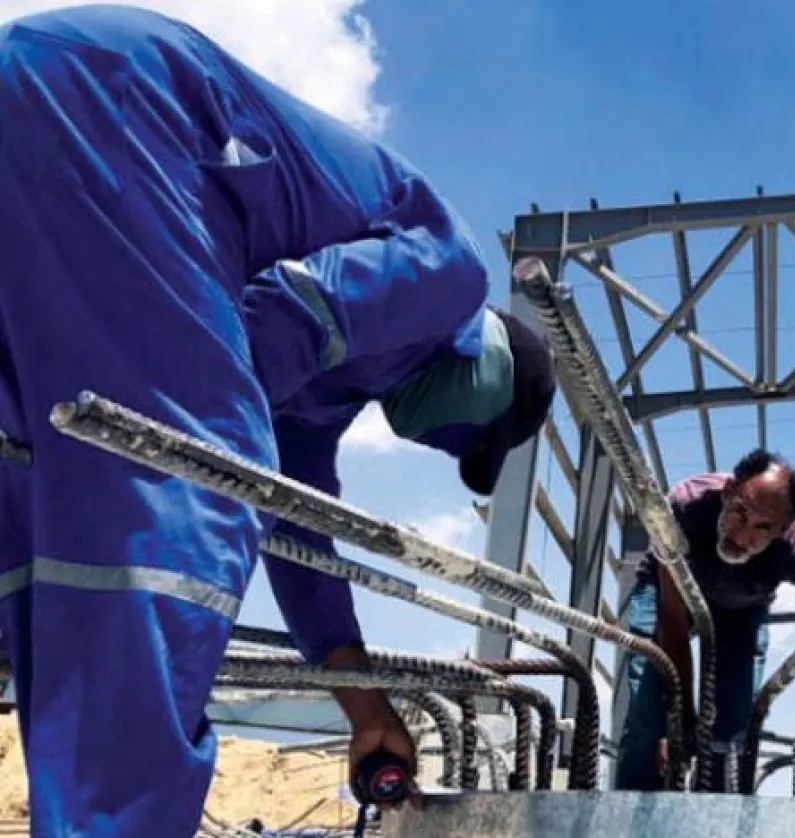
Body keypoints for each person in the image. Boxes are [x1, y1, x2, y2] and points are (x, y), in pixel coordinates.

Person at [0, 6, 554, 836]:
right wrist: (221, 464)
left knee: (38, 472)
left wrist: (365, 709)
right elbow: (266, 330)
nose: (437, 444)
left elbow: (301, 547)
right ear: (491, 378)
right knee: (182, 485)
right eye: (466, 438)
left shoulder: (323, 398)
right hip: (125, 106)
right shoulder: (450, 271)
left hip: (55, 105)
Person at [614, 449, 795, 791]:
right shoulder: (684, 506)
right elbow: (673, 620)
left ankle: (715, 816)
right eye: (739, 513)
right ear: (727, 492)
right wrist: (682, 713)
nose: (741, 536)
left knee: (732, 724)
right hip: (666, 595)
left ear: (783, 529)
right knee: (648, 715)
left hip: (741, 610)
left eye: (762, 528)